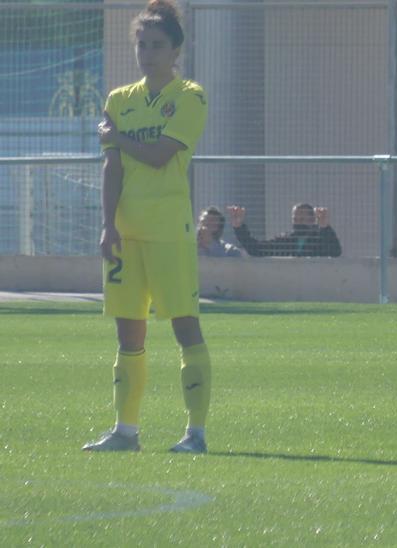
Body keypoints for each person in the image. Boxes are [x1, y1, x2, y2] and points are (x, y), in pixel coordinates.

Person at [86, 0, 211, 454]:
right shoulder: (119, 99)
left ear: (175, 49)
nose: (147, 52)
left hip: (167, 230)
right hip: (126, 231)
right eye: (141, 44)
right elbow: (111, 168)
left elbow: (161, 154)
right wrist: (107, 224)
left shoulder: (190, 95)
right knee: (128, 332)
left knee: (184, 326)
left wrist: (116, 137)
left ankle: (195, 433)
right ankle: (125, 431)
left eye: (157, 45)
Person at [225, 203, 342, 258]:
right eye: (295, 219)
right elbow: (257, 249)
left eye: (302, 218)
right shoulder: (286, 240)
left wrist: (325, 227)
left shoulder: (320, 238)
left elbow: (335, 251)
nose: (298, 222)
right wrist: (239, 227)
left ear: (312, 220)